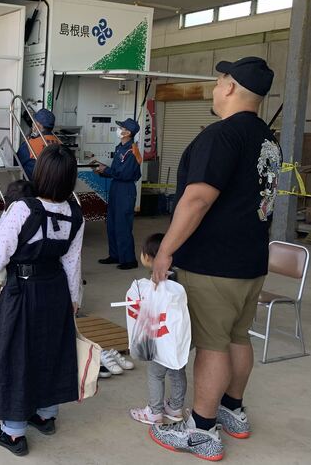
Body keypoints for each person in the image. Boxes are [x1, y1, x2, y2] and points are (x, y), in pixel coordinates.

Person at [149, 57, 280, 461]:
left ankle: (201, 431)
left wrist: (166, 249)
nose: (214, 85)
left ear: (229, 86)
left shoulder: (221, 136)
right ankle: (232, 411)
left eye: (219, 78)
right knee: (238, 337)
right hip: (251, 261)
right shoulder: (268, 139)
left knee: (212, 345)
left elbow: (198, 198)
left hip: (214, 265)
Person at [0, 144, 85, 456]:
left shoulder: (23, 209)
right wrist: (74, 299)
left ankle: (13, 432)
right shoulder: (74, 213)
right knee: (51, 350)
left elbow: (0, 252)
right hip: (55, 290)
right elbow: (72, 262)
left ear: (41, 174)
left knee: (16, 354)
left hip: (22, 290)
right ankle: (46, 415)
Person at [129, 233, 187, 426]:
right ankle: (176, 408)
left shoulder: (151, 286)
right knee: (177, 368)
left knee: (156, 373)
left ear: (150, 258)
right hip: (176, 338)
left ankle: (154, 412)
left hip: (158, 340)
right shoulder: (178, 282)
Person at [94, 118, 142, 270]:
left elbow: (125, 174)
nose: (119, 130)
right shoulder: (120, 148)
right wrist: (102, 169)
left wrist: (106, 170)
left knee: (122, 225)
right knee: (112, 224)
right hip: (116, 187)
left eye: (121, 127)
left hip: (125, 189)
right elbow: (116, 171)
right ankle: (115, 255)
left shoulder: (132, 150)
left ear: (128, 132)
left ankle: (129, 260)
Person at [0, 179, 36, 320]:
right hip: (10, 250)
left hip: (23, 251)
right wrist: (1, 242)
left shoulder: (34, 212)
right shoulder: (8, 212)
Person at [16, 108, 62, 179]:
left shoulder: (29, 145)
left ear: (37, 125)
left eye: (34, 122)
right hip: (54, 184)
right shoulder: (60, 144)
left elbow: (15, 164)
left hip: (33, 186)